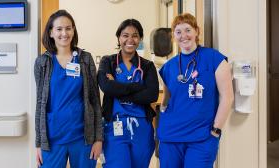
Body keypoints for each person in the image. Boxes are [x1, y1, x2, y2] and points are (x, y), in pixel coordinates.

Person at [158, 13, 234, 168]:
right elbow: (167, 98)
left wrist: (216, 130)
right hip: (170, 137)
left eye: (188, 30)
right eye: (178, 32)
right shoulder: (168, 67)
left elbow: (227, 97)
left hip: (201, 137)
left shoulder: (215, 59)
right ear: (174, 36)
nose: (183, 36)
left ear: (197, 31)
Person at [34, 10, 103, 168]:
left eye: (68, 28)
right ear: (51, 32)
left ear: (73, 30)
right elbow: (40, 103)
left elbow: (95, 100)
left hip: (83, 137)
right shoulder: (42, 63)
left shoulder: (85, 59)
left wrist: (98, 139)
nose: (64, 33)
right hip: (52, 139)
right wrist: (39, 143)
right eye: (59, 29)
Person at [97, 19, 159, 168]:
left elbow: (151, 95)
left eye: (135, 35)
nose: (130, 40)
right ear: (119, 37)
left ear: (140, 39)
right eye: (125, 35)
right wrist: (138, 86)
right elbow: (106, 87)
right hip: (114, 126)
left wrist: (118, 89)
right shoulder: (108, 62)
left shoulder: (147, 66)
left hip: (142, 128)